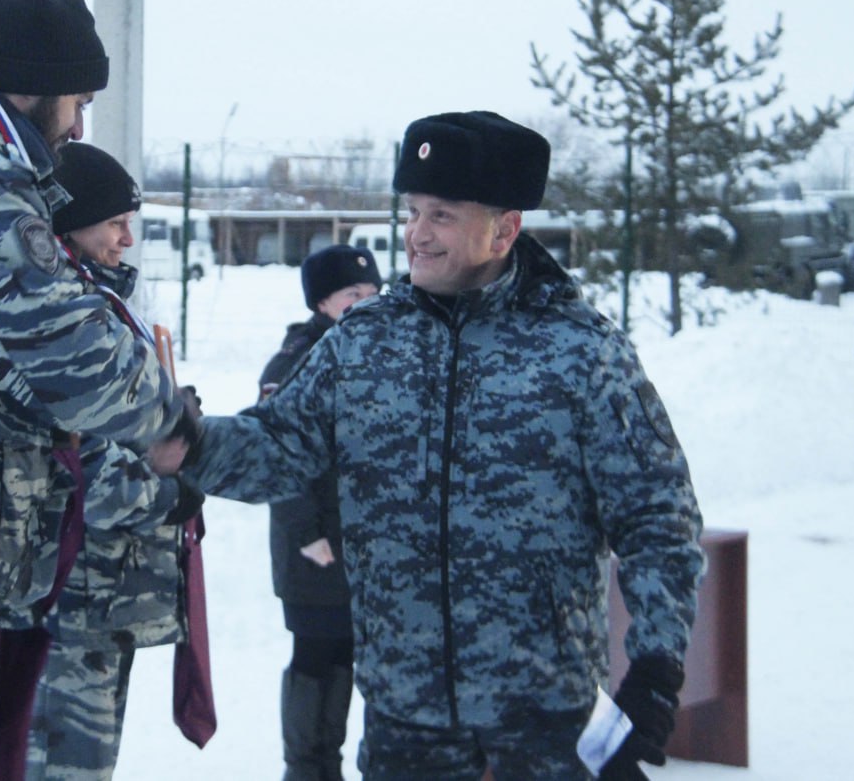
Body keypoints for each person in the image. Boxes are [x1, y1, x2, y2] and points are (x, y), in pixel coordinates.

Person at [183, 111, 705, 780]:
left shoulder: (582, 354)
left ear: (505, 229)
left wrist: (656, 667)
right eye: (412, 211)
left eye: (443, 216)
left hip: (545, 727)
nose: (416, 236)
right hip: (406, 726)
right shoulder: (365, 340)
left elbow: (658, 516)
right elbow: (278, 444)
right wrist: (186, 443)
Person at [0, 0, 190, 729]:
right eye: (78, 102)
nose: (80, 125)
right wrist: (172, 417)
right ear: (31, 88)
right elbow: (63, 347)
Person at [23, 142, 205, 779]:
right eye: (114, 223)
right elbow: (84, 474)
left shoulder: (117, 305)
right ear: (67, 228)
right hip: (72, 601)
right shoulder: (66, 320)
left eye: (133, 221)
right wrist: (170, 491)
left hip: (108, 601)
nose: (128, 239)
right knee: (56, 761)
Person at [259, 244, 381, 781]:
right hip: (313, 545)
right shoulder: (294, 362)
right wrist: (307, 532)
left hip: (360, 541)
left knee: (345, 655)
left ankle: (328, 763)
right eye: (352, 296)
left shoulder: (376, 352)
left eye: (372, 295)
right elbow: (272, 452)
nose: (365, 305)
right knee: (314, 655)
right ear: (322, 303)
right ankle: (307, 768)